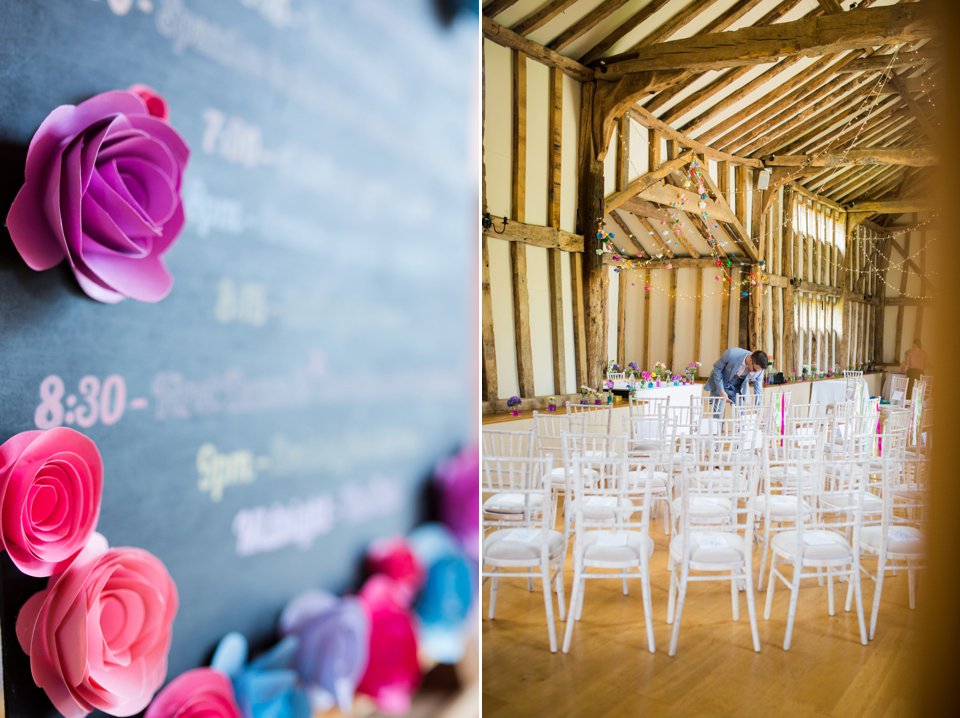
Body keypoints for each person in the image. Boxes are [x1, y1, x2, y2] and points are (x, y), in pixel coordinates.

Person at [704, 348, 769, 407]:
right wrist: (721, 390)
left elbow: (758, 391)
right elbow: (717, 369)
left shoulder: (759, 370)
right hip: (721, 384)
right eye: (754, 369)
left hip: (736, 390)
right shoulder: (731, 354)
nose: (754, 373)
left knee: (740, 413)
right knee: (718, 414)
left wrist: (758, 410)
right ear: (750, 360)